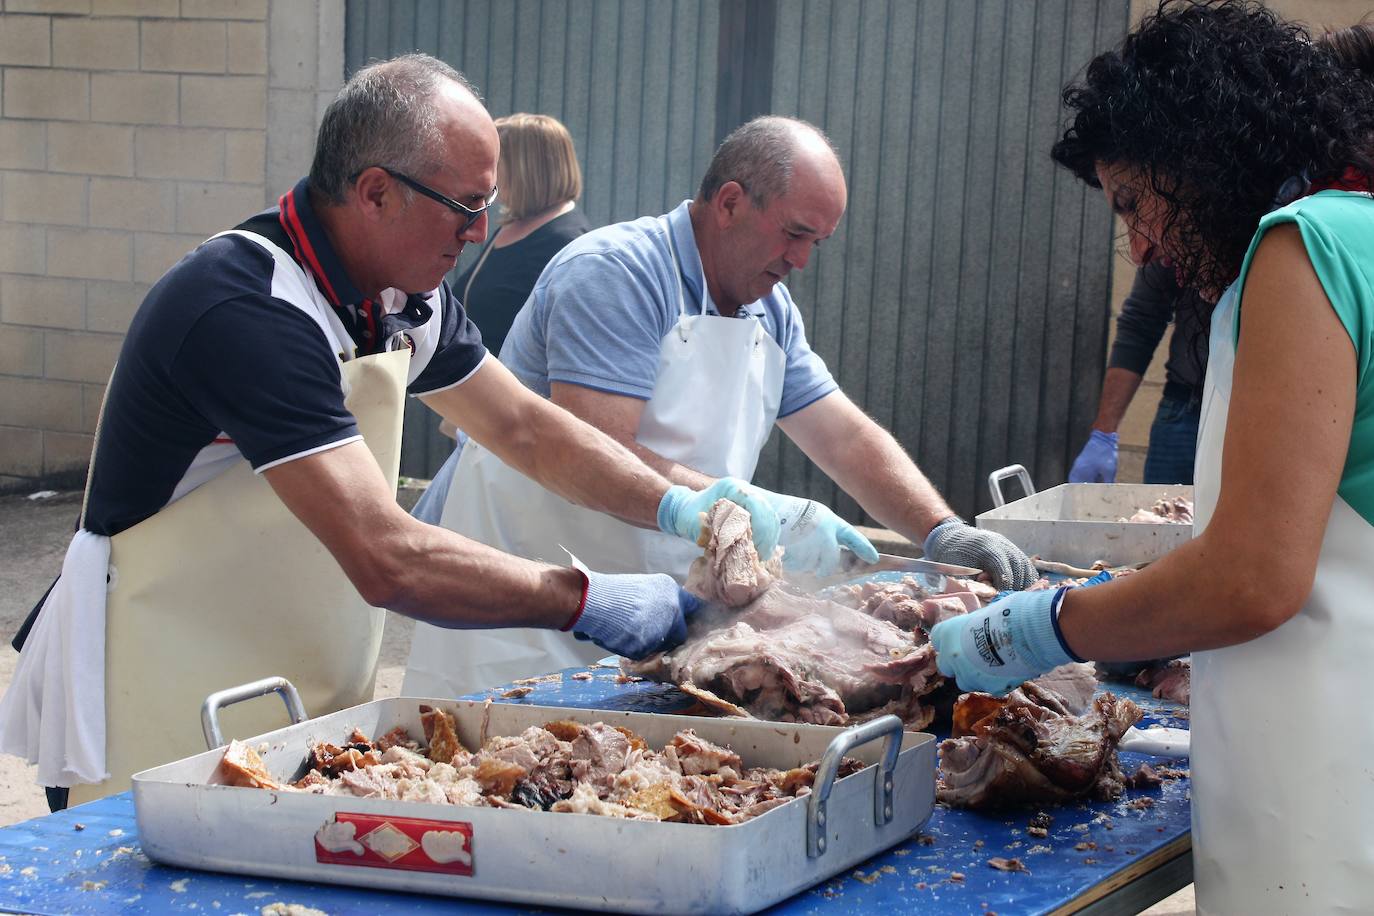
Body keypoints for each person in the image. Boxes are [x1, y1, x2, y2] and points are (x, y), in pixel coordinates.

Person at [0, 54, 855, 810]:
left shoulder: (403, 295)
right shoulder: (245, 310)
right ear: (375, 191)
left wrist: (683, 507)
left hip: (296, 667)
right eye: (465, 206)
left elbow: (524, 428)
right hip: (161, 676)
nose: (483, 231)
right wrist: (592, 599)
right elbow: (387, 555)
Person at [929, 3, 1374, 911]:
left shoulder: (1307, 246)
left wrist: (1037, 626)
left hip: (1330, 794)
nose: (1141, 247)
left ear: (1201, 151)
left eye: (1134, 201)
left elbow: (1251, 579)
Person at [405, 115, 1037, 697]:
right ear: (731, 202)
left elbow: (840, 433)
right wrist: (750, 508)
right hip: (528, 600)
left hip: (659, 607)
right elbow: (595, 442)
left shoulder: (770, 306)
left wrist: (938, 529)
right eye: (794, 234)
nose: (801, 260)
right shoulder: (617, 272)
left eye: (818, 242)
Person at [412, 113, 593, 525]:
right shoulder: (513, 225)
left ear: (527, 167)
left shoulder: (567, 242)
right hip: (473, 406)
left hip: (512, 417)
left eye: (496, 162)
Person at [1067, 262, 1208, 484]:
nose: (1136, 253)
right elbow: (1142, 318)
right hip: (1185, 404)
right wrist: (1104, 433)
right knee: (1162, 513)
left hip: (1256, 409)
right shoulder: (1176, 235)